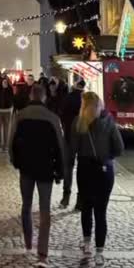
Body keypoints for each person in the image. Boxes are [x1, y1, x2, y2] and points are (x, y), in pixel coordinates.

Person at [9, 83, 65, 268]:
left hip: (26, 168)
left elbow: (11, 142)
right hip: (46, 169)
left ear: (31, 96)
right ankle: (43, 253)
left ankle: (27, 244)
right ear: (44, 97)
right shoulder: (52, 118)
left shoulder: (20, 116)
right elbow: (60, 146)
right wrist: (60, 170)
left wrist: (16, 161)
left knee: (26, 205)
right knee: (44, 209)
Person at [70, 91, 124, 268]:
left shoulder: (78, 123)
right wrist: (106, 156)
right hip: (104, 170)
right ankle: (99, 254)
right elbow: (119, 148)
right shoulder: (108, 122)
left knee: (86, 208)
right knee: (101, 212)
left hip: (85, 169)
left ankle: (86, 246)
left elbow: (73, 148)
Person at [60, 77, 85, 209]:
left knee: (68, 167)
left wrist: (65, 127)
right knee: (81, 169)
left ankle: (66, 196)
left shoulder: (68, 98)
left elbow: (62, 114)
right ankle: (80, 199)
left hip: (69, 136)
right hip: (82, 138)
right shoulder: (86, 99)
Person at [0, 75, 15, 151]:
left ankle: (5, 146)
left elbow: (12, 100)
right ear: (1, 82)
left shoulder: (10, 90)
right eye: (3, 82)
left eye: (6, 82)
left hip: (7, 111)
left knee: (6, 129)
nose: (4, 83)